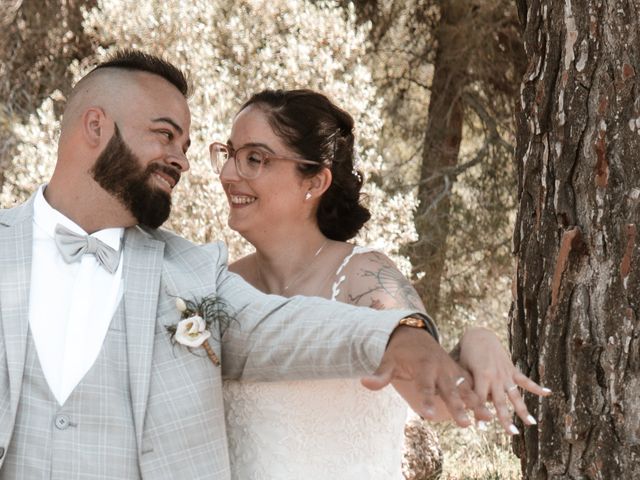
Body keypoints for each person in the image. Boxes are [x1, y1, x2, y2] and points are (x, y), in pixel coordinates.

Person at [0, 50, 499, 480]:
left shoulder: (194, 276)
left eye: (254, 158)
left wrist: (407, 333)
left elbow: (286, 325)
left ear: (316, 181)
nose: (188, 163)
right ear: (95, 126)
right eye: (165, 135)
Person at [214, 89, 551, 479]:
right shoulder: (222, 284)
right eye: (229, 154)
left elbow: (439, 401)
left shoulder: (362, 275)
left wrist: (478, 340)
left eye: (254, 159)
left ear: (315, 181)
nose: (227, 174)